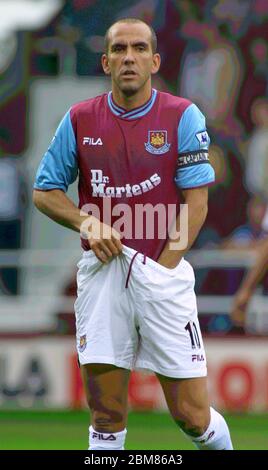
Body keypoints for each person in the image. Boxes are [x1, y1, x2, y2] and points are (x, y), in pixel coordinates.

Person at [33, 18, 233, 450]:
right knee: (106, 416)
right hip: (104, 275)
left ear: (154, 60)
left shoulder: (182, 115)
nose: (129, 57)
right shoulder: (79, 119)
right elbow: (44, 192)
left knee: (192, 418)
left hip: (163, 272)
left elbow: (196, 204)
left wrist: (162, 272)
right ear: (105, 62)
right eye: (120, 49)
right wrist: (86, 222)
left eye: (140, 49)